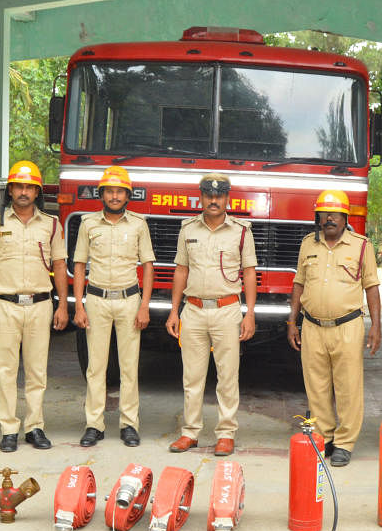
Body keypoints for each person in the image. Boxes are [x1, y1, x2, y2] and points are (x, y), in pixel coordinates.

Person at [0, 160, 69, 452]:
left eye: (30, 187)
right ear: (11, 190)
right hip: (5, 305)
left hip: (40, 304)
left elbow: (59, 264)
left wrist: (63, 305)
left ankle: (35, 427)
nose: (24, 192)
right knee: (5, 369)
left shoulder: (51, 225)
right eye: (19, 186)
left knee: (37, 370)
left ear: (38, 191)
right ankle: (8, 429)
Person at [287, 189, 381, 466]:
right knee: (316, 385)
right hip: (313, 326)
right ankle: (323, 436)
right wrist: (293, 321)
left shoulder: (362, 245)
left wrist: (376, 325)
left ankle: (344, 442)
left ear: (345, 217)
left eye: (335, 214)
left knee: (348, 386)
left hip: (347, 326)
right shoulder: (308, 244)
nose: (329, 218)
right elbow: (299, 284)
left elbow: (372, 287)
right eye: (324, 214)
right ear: (317, 217)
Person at [164, 174, 257, 456]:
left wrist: (249, 313)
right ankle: (190, 432)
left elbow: (250, 272)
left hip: (227, 310)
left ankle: (226, 433)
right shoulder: (187, 229)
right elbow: (181, 270)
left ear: (227, 198)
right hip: (192, 310)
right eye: (208, 195)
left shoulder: (241, 231)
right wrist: (174, 311)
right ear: (200, 197)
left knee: (228, 376)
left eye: (219, 195)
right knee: (192, 377)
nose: (213, 200)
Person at [72, 166, 154, 448]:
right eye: (110, 191)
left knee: (129, 367)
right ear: (102, 194)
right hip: (96, 300)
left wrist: (144, 306)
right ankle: (94, 424)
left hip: (129, 300)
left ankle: (129, 424)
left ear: (127, 195)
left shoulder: (139, 224)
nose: (115, 196)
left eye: (120, 191)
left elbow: (147, 266)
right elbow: (79, 265)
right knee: (96, 367)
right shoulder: (88, 224)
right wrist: (80, 306)